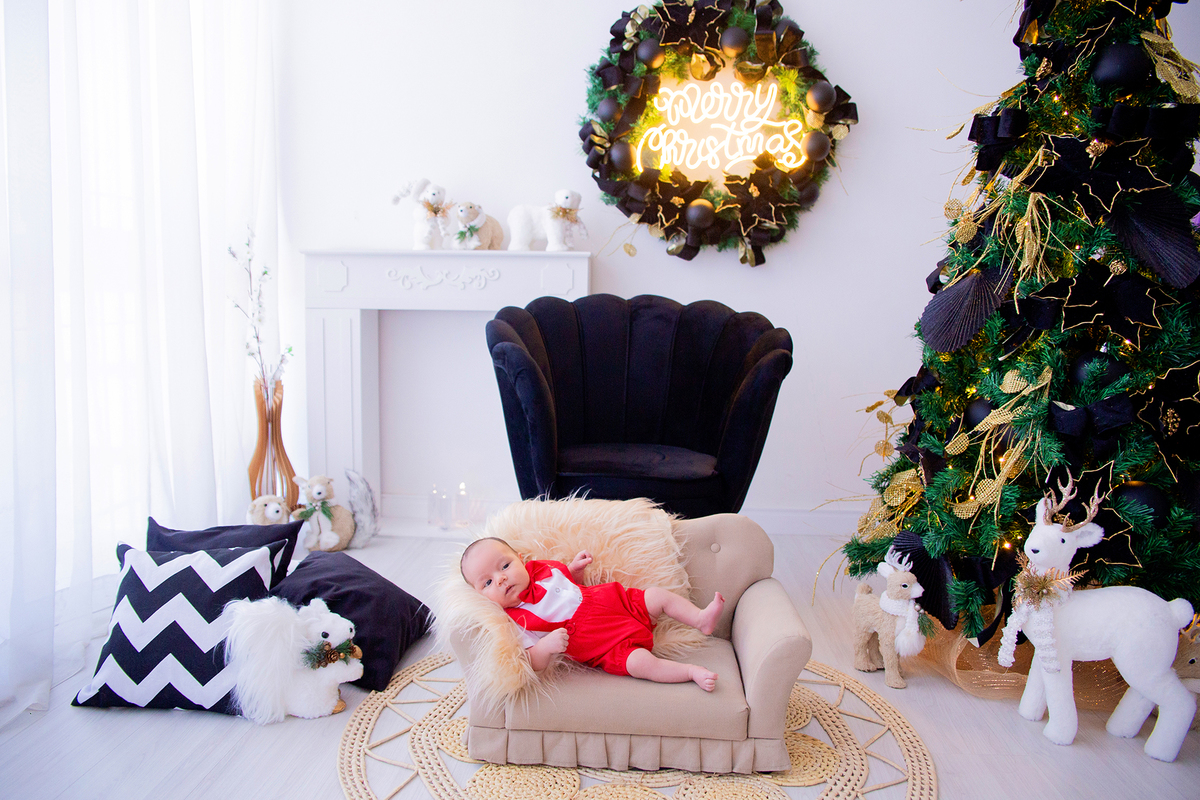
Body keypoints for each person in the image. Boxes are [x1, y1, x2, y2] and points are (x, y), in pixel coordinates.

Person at [460, 536, 724, 691]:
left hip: (615, 602)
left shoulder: (544, 570)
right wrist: (547, 646)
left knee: (656, 596)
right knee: (641, 664)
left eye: (505, 565)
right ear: (479, 595)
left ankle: (700, 619)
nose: (502, 578)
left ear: (521, 559)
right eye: (487, 583)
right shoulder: (517, 619)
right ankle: (690, 672)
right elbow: (532, 661)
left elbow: (570, 585)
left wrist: (576, 569)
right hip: (605, 644)